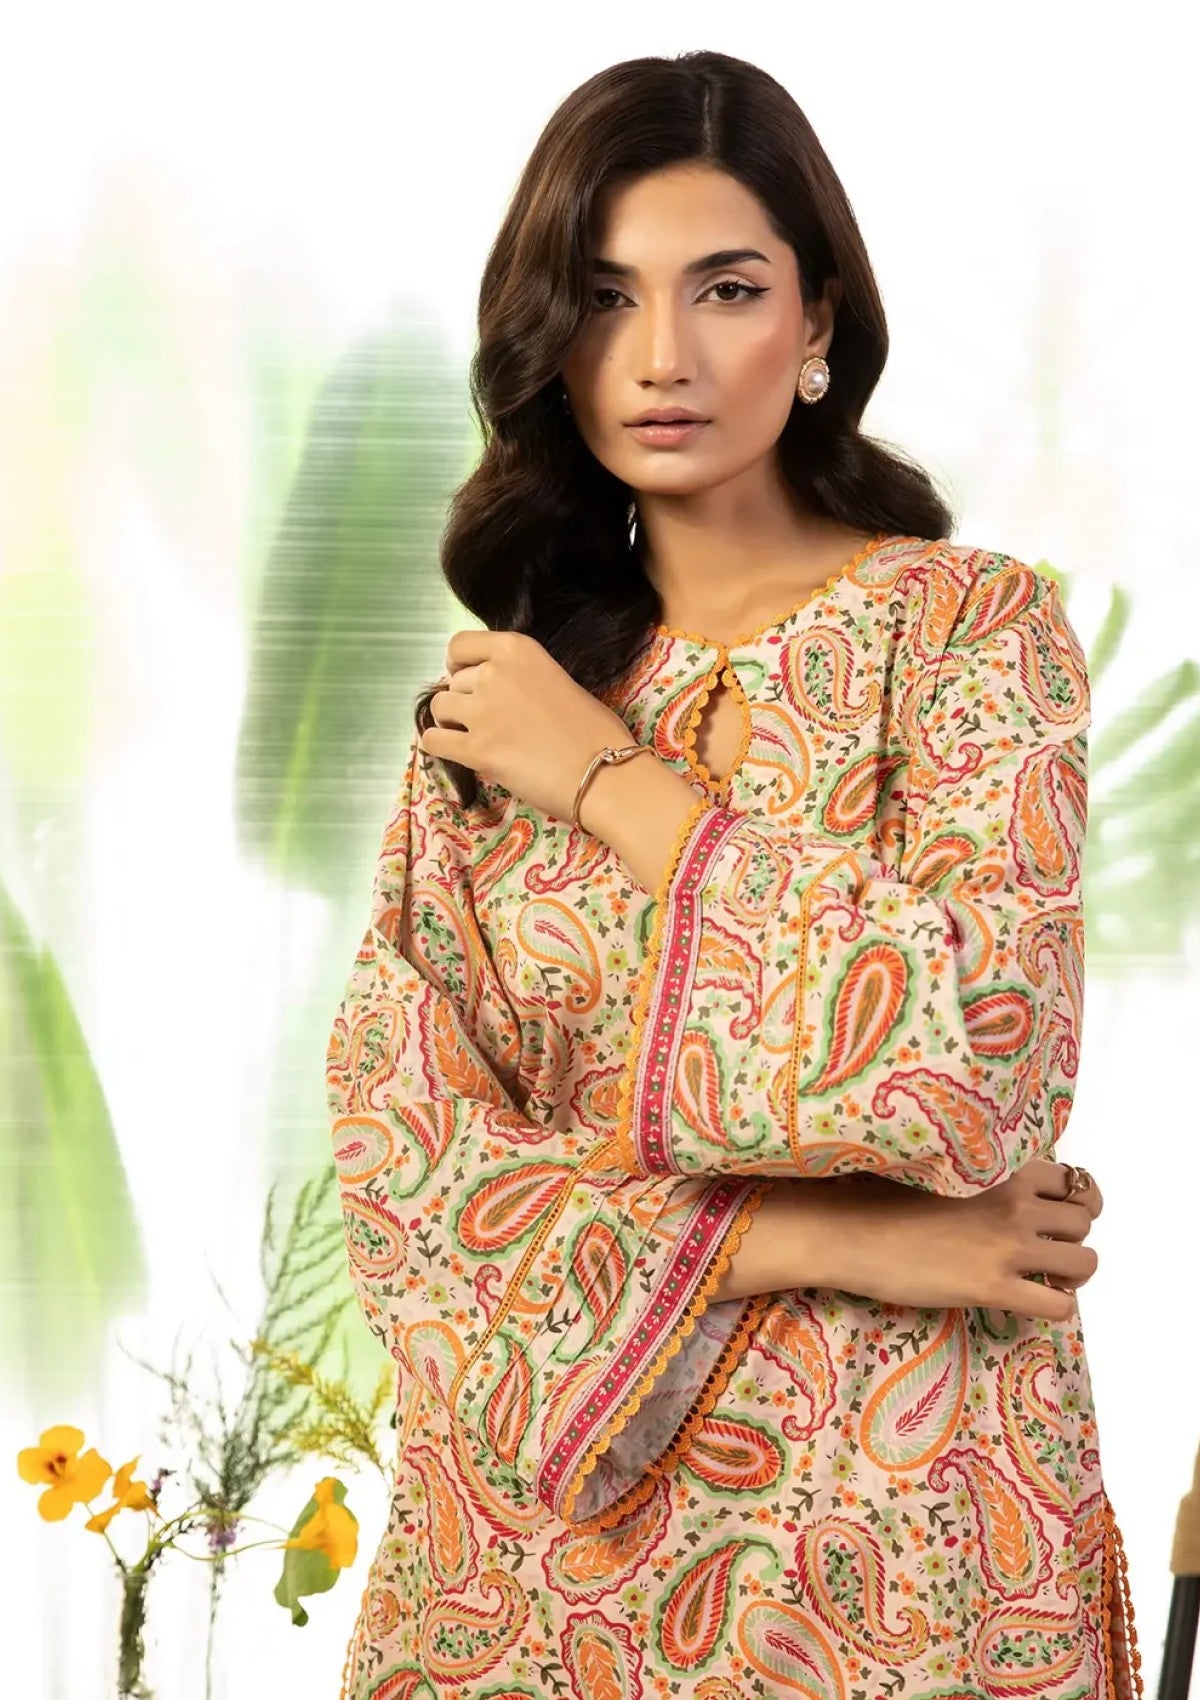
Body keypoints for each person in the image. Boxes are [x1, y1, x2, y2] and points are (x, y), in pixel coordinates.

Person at [326, 48, 1143, 1700]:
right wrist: (828, 1232)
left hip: (898, 1528)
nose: (661, 357)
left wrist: (611, 782)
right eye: (603, 297)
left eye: (726, 289)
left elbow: (972, 1058)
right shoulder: (498, 706)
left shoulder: (967, 634)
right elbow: (407, 1177)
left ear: (818, 318)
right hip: (539, 1579)